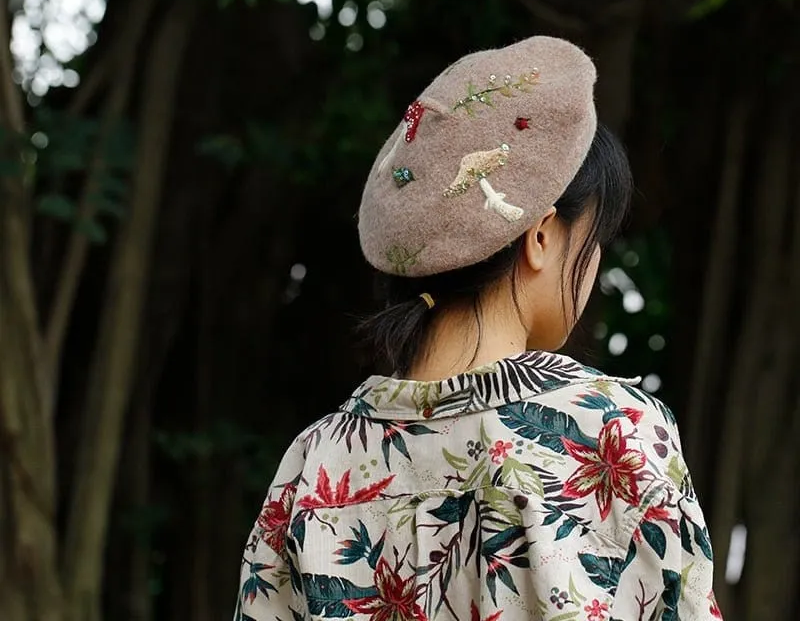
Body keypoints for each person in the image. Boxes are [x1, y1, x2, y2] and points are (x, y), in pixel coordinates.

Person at [234, 37, 722, 620]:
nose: (593, 264)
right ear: (541, 238)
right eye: (593, 240)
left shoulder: (313, 467)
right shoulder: (611, 433)